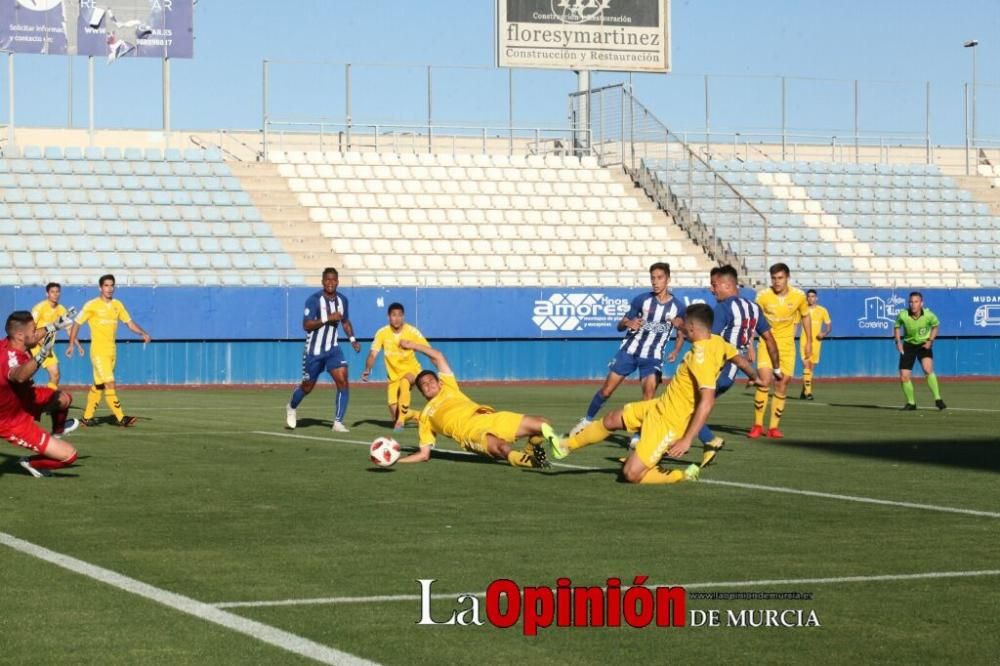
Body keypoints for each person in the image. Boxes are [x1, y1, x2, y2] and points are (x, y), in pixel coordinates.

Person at [551, 304, 766, 484]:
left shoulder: (701, 357)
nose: (681, 329)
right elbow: (738, 358)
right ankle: (565, 446)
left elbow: (707, 401)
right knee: (611, 419)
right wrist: (754, 375)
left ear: (692, 327)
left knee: (630, 474)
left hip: (670, 423)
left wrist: (687, 440)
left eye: (684, 326)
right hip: (659, 405)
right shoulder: (717, 341)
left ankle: (683, 474)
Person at [395, 340, 560, 469]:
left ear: (440, 383)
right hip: (470, 432)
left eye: (431, 380)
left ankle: (529, 451)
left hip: (489, 417)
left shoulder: (449, 386)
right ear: (422, 393)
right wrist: (395, 460)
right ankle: (531, 463)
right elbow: (424, 454)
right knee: (503, 449)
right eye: (423, 384)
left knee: (543, 423)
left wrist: (412, 345)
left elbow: (438, 356)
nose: (428, 384)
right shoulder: (425, 417)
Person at [570, 262, 685, 441]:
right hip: (630, 351)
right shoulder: (642, 300)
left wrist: (676, 351)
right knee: (607, 390)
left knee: (648, 395)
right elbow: (619, 325)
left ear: (668, 280)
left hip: (652, 357)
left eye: (659, 278)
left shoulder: (678, 307)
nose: (655, 282)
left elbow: (681, 332)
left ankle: (639, 436)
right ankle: (586, 421)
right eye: (653, 278)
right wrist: (628, 323)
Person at [697, 265, 780, 465]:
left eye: (714, 285)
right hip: (731, 375)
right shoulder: (754, 308)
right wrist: (776, 368)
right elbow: (769, 340)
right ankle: (703, 441)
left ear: (727, 285)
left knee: (687, 407)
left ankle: (709, 440)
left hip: (719, 369)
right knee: (692, 408)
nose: (712, 289)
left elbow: (712, 342)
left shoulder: (723, 308)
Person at [2, 311, 80, 478]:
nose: (37, 334)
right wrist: (41, 355)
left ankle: (58, 432)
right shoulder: (9, 359)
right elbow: (19, 376)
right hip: (13, 420)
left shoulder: (14, 342)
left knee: (64, 399)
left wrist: (54, 326)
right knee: (69, 455)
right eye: (34, 331)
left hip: (27, 397)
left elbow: (33, 336)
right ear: (20, 335)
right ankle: (30, 462)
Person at [67, 274, 151, 427]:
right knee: (110, 383)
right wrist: (72, 344)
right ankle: (121, 418)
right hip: (98, 351)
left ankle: (86, 418)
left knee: (98, 386)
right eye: (106, 285)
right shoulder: (91, 305)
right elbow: (77, 323)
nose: (109, 288)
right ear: (100, 288)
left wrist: (142, 333)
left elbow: (129, 322)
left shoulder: (117, 305)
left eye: (112, 285)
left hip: (112, 351)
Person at [285, 267, 362, 432]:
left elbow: (345, 322)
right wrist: (328, 318)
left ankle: (338, 422)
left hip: (333, 350)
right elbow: (306, 325)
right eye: (327, 280)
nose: (330, 283)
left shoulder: (342, 300)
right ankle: (291, 406)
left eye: (333, 280)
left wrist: (353, 339)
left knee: (343, 381)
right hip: (314, 351)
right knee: (307, 386)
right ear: (322, 282)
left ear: (338, 282)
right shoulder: (313, 300)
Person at [749, 263, 811, 439]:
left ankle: (773, 428)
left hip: (787, 346)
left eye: (780, 278)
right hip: (766, 343)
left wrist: (809, 343)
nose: (777, 282)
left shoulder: (798, 296)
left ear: (787, 278)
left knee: (782, 383)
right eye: (774, 278)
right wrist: (750, 345)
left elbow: (805, 317)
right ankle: (757, 425)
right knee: (764, 380)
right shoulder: (762, 296)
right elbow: (753, 321)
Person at [361, 302, 428, 430]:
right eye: (393, 315)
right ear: (388, 317)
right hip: (393, 377)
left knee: (405, 382)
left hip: (412, 371)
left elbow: (427, 348)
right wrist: (367, 369)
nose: (397, 318)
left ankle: (401, 422)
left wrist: (411, 345)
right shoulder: (382, 333)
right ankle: (420, 417)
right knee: (395, 414)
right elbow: (372, 354)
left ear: (403, 316)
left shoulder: (412, 331)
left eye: (399, 315)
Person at [894, 291, 945, 410]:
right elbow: (897, 326)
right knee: (904, 376)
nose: (913, 304)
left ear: (921, 303)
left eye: (916, 302)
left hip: (923, 344)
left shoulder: (929, 315)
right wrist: (898, 342)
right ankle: (911, 403)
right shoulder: (903, 315)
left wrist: (930, 341)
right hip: (908, 345)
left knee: (928, 369)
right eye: (911, 302)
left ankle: (938, 399)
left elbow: (936, 326)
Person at [30, 282, 71, 389]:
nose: (55, 294)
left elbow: (68, 328)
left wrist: (72, 344)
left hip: (47, 348)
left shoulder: (61, 309)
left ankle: (48, 401)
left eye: (57, 292)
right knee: (26, 376)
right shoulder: (39, 307)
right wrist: (39, 340)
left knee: (55, 375)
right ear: (47, 294)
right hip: (33, 346)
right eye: (52, 292)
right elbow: (30, 327)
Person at [798, 289, 832, 400]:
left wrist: (824, 333)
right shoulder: (802, 310)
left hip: (817, 343)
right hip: (804, 342)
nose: (811, 298)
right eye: (809, 296)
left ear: (816, 298)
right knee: (806, 365)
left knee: (811, 369)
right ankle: (809, 393)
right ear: (806, 298)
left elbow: (829, 326)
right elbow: (794, 323)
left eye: (813, 296)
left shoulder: (822, 310)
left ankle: (804, 391)